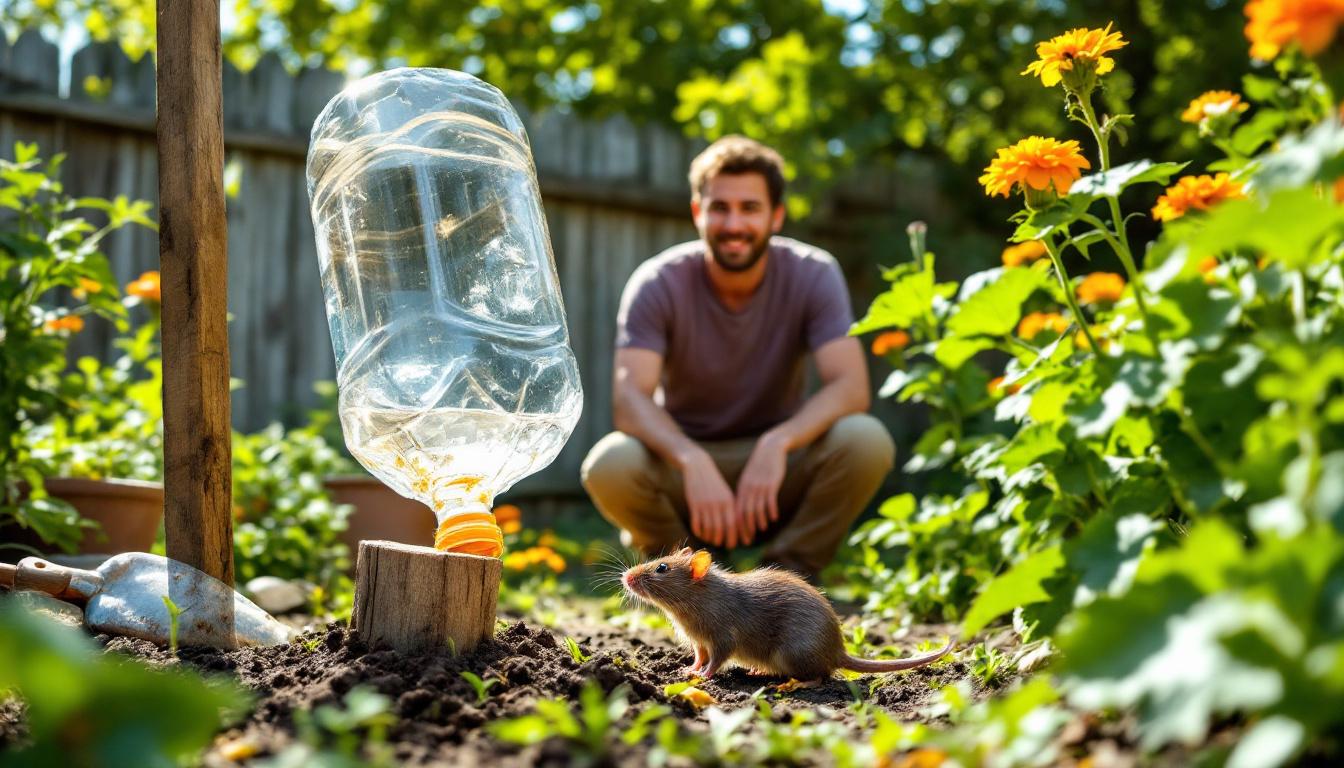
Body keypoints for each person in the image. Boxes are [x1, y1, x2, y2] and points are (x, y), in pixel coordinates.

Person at [580, 135, 895, 582]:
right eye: (720, 208)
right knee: (610, 464)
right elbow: (630, 399)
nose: (734, 224)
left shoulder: (813, 272)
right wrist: (690, 459)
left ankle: (791, 576)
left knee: (866, 439)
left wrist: (778, 442)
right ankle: (677, 578)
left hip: (779, 470)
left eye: (750, 208)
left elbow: (851, 386)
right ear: (697, 211)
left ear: (776, 215)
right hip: (685, 467)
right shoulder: (657, 282)